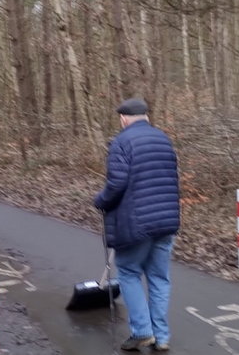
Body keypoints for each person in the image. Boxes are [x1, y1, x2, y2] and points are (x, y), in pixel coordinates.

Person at [93, 98, 180, 352]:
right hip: (166, 221)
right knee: (159, 278)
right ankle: (161, 337)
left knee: (129, 272)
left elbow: (117, 183)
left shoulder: (122, 141)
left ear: (123, 119)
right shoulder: (164, 139)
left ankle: (142, 331)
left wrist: (101, 200)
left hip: (137, 222)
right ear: (146, 117)